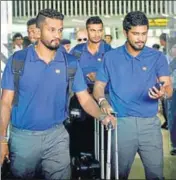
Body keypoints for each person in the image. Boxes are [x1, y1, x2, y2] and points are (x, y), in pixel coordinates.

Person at [0, 9, 116, 180]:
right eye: (51, 30)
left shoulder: (70, 63)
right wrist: (2, 140)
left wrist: (102, 116)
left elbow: (84, 98)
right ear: (38, 31)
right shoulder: (18, 61)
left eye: (60, 30)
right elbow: (5, 103)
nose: (57, 35)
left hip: (57, 136)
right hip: (23, 138)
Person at [93, 11, 173, 180]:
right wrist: (102, 101)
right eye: (136, 34)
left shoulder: (157, 57)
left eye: (144, 34)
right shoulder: (111, 57)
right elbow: (98, 86)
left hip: (150, 126)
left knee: (156, 175)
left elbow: (168, 87)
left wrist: (162, 92)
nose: (140, 39)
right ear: (125, 32)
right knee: (117, 175)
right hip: (121, 124)